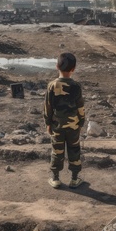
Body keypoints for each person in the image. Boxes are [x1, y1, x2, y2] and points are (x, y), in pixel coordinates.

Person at [44, 52, 85, 189]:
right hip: (73, 125)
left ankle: (55, 178)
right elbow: (80, 107)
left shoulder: (52, 85)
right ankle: (74, 179)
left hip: (57, 125)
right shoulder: (76, 86)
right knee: (74, 150)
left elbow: (48, 107)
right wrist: (81, 123)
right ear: (73, 69)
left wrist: (48, 123)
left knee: (57, 150)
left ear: (57, 66)